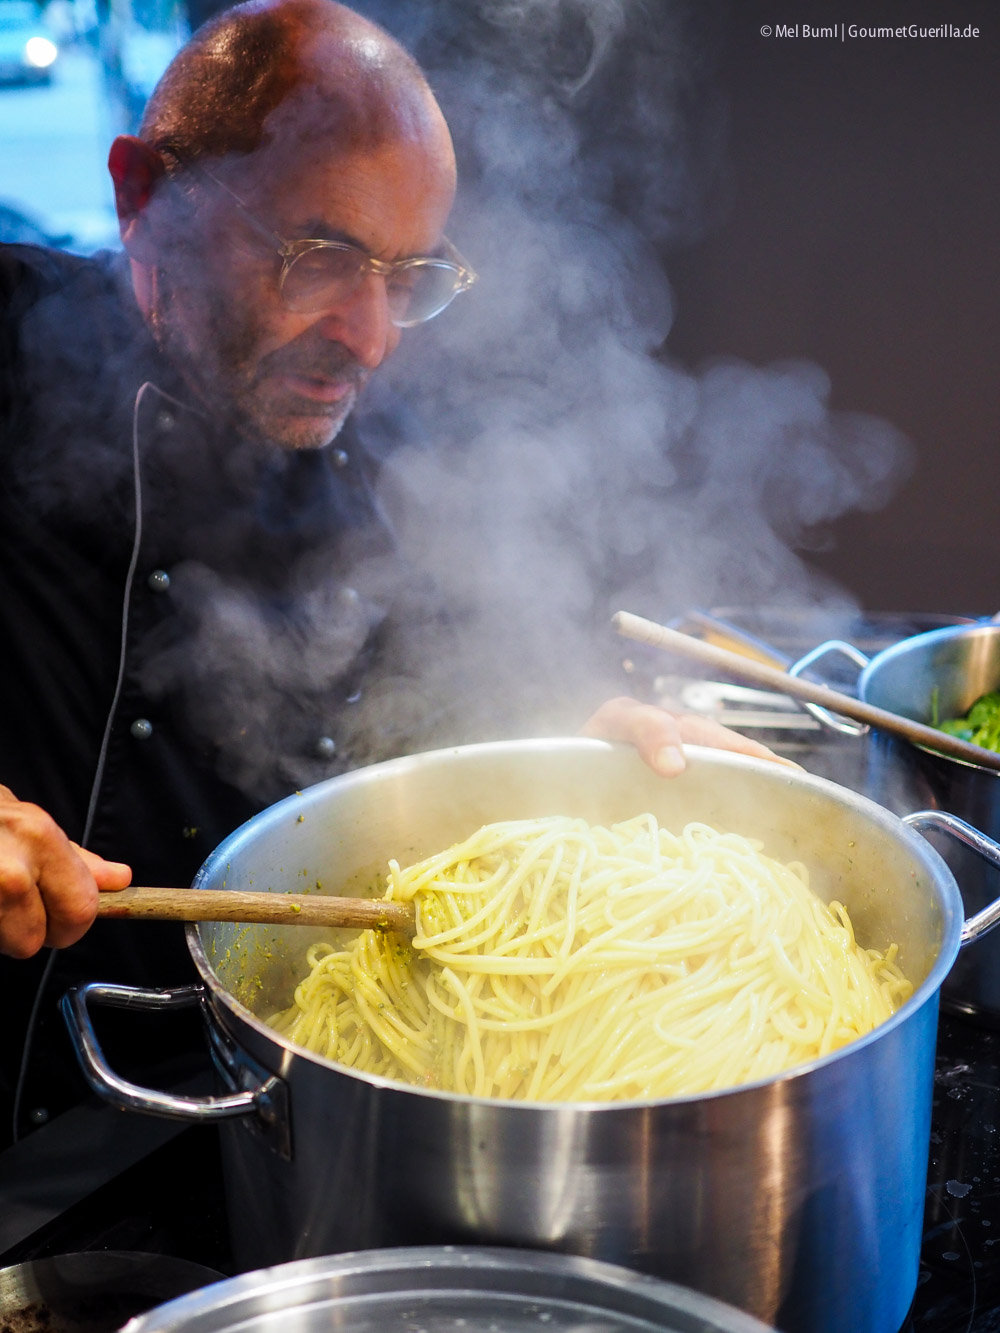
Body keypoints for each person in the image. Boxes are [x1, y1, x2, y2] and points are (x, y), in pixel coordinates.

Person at [0, 0, 786, 1145]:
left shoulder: (393, 461)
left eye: (408, 274)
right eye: (319, 258)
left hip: (254, 1125)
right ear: (141, 197)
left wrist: (572, 733)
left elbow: (435, 698)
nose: (369, 339)